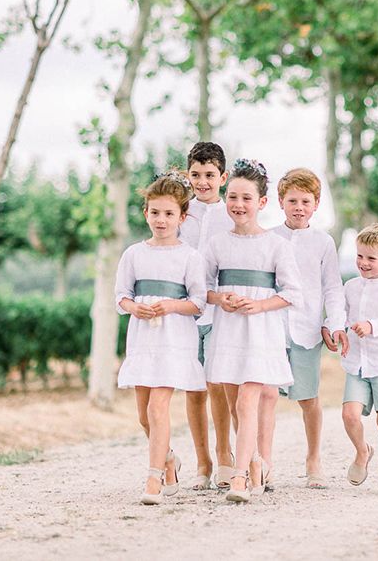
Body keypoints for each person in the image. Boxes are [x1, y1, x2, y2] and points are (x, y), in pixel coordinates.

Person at [203, 158, 303, 503]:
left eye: (247, 198)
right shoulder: (216, 244)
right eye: (233, 197)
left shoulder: (277, 246)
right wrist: (220, 298)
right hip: (228, 332)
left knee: (248, 401)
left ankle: (240, 477)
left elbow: (293, 293)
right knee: (234, 405)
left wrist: (259, 305)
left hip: (261, 333)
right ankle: (256, 461)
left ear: (262, 203)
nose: (238, 205)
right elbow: (201, 290)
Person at [115, 171, 208, 505]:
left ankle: (153, 479)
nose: (161, 219)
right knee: (144, 415)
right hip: (142, 341)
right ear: (145, 213)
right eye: (155, 212)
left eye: (169, 213)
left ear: (182, 217)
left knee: (158, 408)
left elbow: (198, 301)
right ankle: (168, 459)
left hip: (174, 340)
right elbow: (121, 296)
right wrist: (133, 308)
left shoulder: (190, 257)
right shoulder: (134, 254)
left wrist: (170, 304)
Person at [258, 168, 347, 490]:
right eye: (292, 200)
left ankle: (313, 458)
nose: (298, 206)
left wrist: (333, 323)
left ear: (316, 204)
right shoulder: (267, 237)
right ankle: (263, 463)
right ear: (281, 202)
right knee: (265, 396)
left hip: (307, 330)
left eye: (305, 201)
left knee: (308, 398)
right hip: (271, 328)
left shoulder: (323, 242)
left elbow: (333, 288)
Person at [332, 222, 378, 497]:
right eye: (360, 256)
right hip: (356, 363)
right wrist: (337, 330)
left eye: (371, 258)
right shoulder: (350, 286)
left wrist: (372, 326)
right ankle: (362, 451)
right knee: (349, 414)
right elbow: (339, 313)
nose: (363, 263)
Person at [178, 142, 235, 490]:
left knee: (218, 385)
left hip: (219, 313)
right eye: (196, 175)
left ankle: (225, 454)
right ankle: (202, 462)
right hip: (185, 314)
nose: (203, 181)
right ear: (188, 176)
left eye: (210, 175)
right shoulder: (181, 213)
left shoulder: (231, 213)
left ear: (223, 177)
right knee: (193, 389)